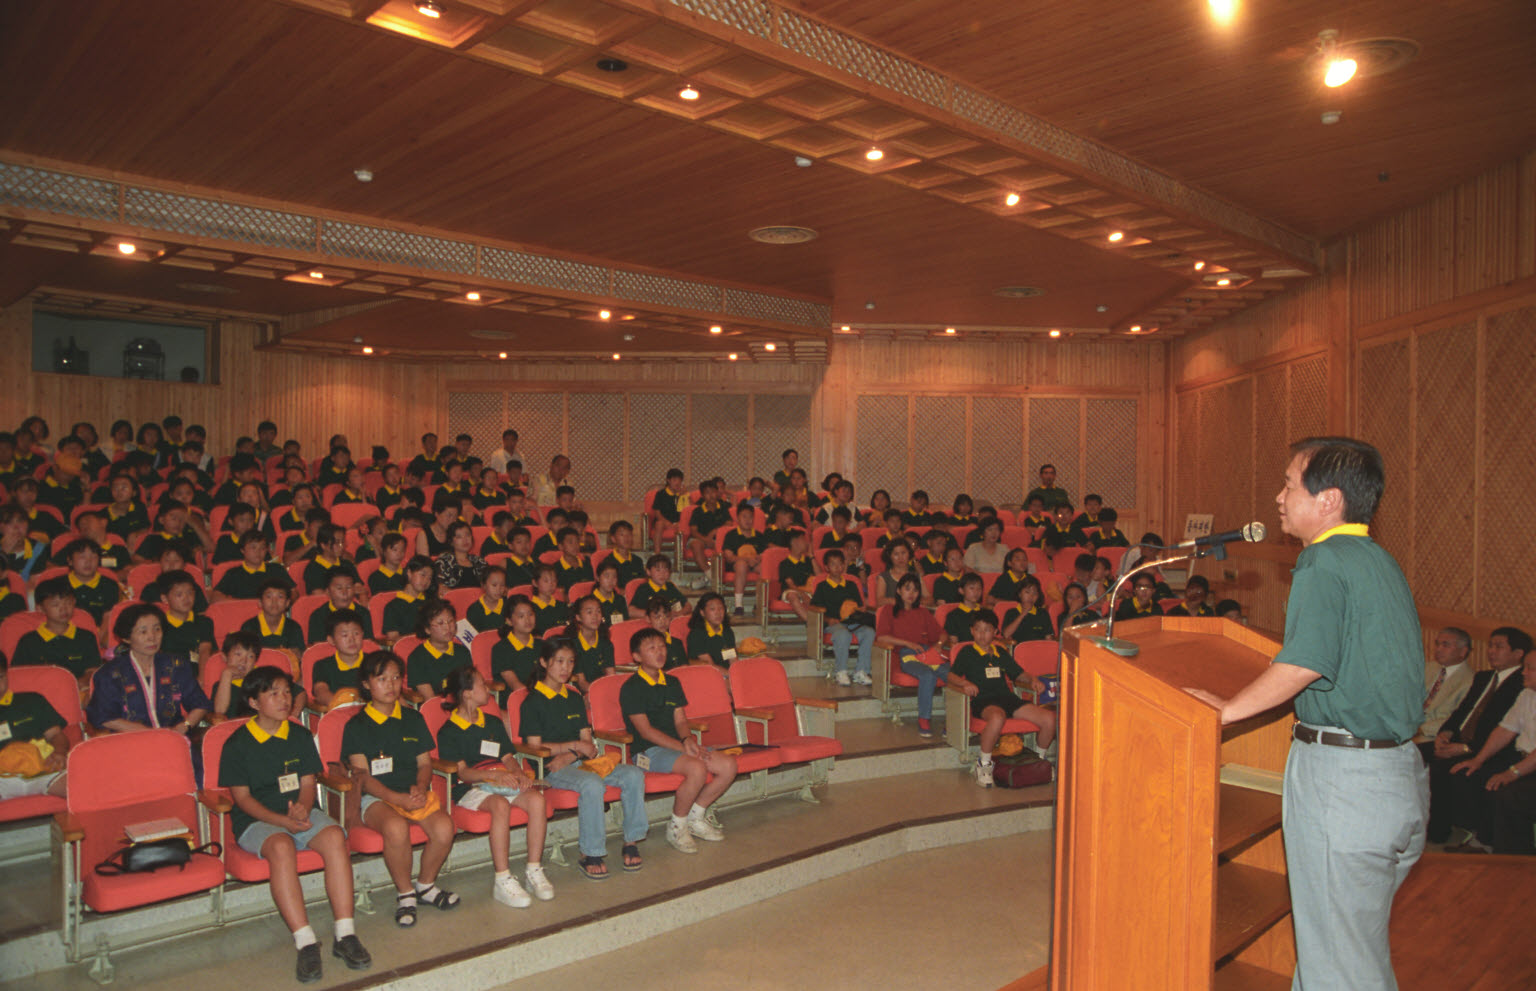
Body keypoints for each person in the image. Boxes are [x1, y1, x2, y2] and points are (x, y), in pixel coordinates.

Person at [1184, 437, 1426, 991]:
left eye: (1290, 484)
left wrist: (1225, 712)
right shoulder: (1376, 560)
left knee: (1339, 964)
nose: (1278, 496)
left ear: (1328, 499)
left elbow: (1305, 662)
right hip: (1396, 777)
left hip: (1345, 785)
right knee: (1344, 951)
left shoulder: (1323, 560)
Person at [217, 666, 371, 981]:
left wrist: (302, 807)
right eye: (272, 693)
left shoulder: (299, 734)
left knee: (333, 836)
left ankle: (345, 934)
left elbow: (307, 781)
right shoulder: (237, 744)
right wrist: (281, 821)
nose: (283, 698)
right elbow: (243, 800)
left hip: (298, 813)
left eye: (286, 691)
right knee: (281, 846)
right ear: (254, 702)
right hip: (257, 819)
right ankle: (305, 941)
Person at [341, 651, 458, 927]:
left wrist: (419, 787)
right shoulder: (356, 726)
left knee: (444, 828)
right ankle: (405, 894)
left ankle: (426, 886)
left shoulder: (412, 718)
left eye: (395, 678)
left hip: (412, 792)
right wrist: (396, 798)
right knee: (396, 828)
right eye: (382, 679)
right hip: (377, 797)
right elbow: (363, 777)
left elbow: (425, 763)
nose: (391, 685)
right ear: (367, 684)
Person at [520, 639, 649, 879]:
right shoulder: (532, 701)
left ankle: (631, 840)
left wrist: (571, 753)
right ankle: (590, 853)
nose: (565, 668)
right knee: (592, 784)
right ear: (544, 663)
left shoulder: (573, 696)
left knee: (633, 774)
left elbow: (587, 743)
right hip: (548, 768)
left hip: (575, 761)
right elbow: (535, 747)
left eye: (570, 662)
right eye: (559, 661)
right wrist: (574, 748)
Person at [434, 666, 553, 907]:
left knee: (537, 800)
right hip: (471, 788)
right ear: (467, 693)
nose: (487, 688)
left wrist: (518, 774)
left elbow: (508, 757)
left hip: (502, 781)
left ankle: (533, 870)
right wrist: (492, 777)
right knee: (499, 805)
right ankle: (502, 879)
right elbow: (464, 772)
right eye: (481, 684)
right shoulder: (448, 731)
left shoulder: (491, 722)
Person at [620, 628, 737, 854]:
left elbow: (680, 719)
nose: (660, 652)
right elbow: (646, 732)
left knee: (728, 765)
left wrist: (687, 739)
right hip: (646, 752)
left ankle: (696, 816)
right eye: (651, 648)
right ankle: (677, 825)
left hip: (678, 746)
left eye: (662, 646)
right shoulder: (631, 688)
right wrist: (684, 748)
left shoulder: (672, 682)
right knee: (696, 767)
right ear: (636, 657)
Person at [1425, 627, 1529, 845]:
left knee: (1446, 769)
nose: (1491, 651)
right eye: (1490, 645)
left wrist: (1468, 750)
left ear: (1518, 654)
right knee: (1418, 753)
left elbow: (1502, 731)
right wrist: (1445, 733)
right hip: (1466, 744)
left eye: (1499, 647)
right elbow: (1462, 712)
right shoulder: (1484, 677)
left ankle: (1448, 834)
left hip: (1495, 751)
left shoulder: (1521, 684)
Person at [86, 604, 211, 760]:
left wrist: (184, 726)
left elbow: (200, 703)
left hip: (175, 740)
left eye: (157, 629)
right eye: (143, 631)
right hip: (130, 744)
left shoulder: (176, 665)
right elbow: (102, 716)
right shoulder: (110, 674)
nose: (152, 637)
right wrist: (143, 731)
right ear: (126, 637)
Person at [948, 611, 1056, 787]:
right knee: (997, 717)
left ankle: (1038, 761)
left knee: (1049, 719)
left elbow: (1019, 673)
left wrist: (1033, 679)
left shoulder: (1000, 652)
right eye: (978, 630)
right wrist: (964, 683)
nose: (982, 634)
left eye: (987, 630)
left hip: (1007, 698)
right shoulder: (966, 652)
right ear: (972, 631)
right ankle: (983, 764)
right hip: (982, 700)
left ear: (995, 632)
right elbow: (951, 676)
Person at [1446, 649, 1536, 853]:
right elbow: (1506, 729)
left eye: (1530, 668)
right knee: (1473, 774)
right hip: (1524, 760)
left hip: (1530, 766)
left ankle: (1517, 860)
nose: (1524, 672)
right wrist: (1478, 760)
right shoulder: (1527, 694)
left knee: (1509, 794)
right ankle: (1485, 841)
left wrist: (1512, 773)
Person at [874, 573, 946, 737]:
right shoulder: (889, 610)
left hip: (927, 652)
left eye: (915, 590)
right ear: (899, 590)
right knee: (928, 675)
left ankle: (955, 721)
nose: (911, 593)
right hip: (906, 654)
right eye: (907, 589)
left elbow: (941, 634)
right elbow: (882, 637)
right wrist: (908, 643)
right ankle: (924, 719)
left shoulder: (923, 612)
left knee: (953, 675)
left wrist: (939, 646)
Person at [0, 654, 70, 802]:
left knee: (84, 788)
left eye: (0, 677)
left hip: (42, 768)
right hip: (2, 778)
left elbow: (56, 735)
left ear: (6, 675)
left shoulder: (32, 700)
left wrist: (59, 752)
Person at [10, 577, 100, 680]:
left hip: (78, 692)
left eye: (68, 602)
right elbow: (18, 676)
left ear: (74, 602)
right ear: (40, 608)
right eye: (55, 605)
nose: (63, 609)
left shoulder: (86, 637)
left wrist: (78, 685)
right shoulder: (28, 642)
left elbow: (93, 671)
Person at [810, 549, 874, 687]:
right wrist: (828, 619)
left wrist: (861, 609)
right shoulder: (822, 586)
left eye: (840, 564)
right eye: (833, 564)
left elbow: (859, 605)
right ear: (826, 567)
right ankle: (841, 671)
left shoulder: (851, 584)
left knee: (869, 632)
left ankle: (861, 671)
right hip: (833, 624)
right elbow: (815, 608)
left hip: (852, 622)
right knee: (843, 633)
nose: (837, 567)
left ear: (844, 565)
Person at [1417, 627, 1474, 745]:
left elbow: (1457, 720)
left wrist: (1420, 728)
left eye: (1445, 645)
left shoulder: (1470, 681)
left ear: (1463, 651)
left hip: (1430, 737)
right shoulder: (1426, 668)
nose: (1438, 649)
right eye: (1437, 644)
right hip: (1405, 728)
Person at [405, 600, 462, 701]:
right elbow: (430, 699)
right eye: (440, 623)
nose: (448, 627)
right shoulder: (417, 658)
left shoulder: (463, 652)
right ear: (427, 629)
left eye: (450, 621)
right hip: (435, 710)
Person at [490, 596, 540, 695]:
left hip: (542, 699)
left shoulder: (542, 645)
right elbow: (515, 685)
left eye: (530, 614)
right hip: (517, 701)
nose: (527, 620)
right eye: (521, 616)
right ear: (509, 621)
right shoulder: (500, 649)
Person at [685, 593, 737, 668]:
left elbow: (732, 660)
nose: (718, 613)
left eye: (720, 608)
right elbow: (710, 666)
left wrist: (735, 674)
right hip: (707, 675)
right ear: (702, 613)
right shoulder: (696, 635)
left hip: (727, 674)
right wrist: (729, 676)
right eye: (712, 609)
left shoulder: (727, 632)